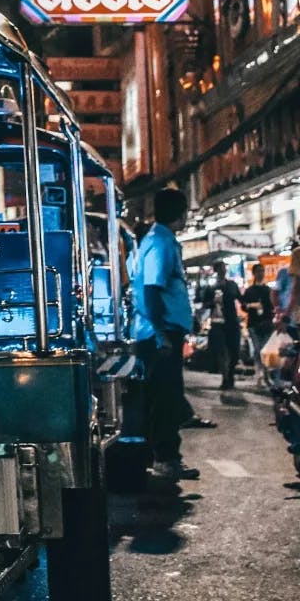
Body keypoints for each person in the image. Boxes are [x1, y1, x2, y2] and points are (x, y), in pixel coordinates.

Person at [129, 188, 200, 481]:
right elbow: (152, 290)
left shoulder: (156, 239)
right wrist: (161, 334)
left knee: (160, 398)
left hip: (158, 332)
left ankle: (155, 456)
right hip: (160, 333)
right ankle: (167, 459)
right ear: (180, 213)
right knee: (165, 399)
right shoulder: (161, 243)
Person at [201, 261, 243, 391]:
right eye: (220, 269)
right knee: (222, 351)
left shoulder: (232, 285)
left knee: (234, 352)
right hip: (218, 323)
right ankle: (226, 378)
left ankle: (230, 373)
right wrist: (212, 302)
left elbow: (241, 300)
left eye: (224, 268)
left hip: (232, 322)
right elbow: (204, 304)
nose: (222, 271)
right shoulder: (211, 287)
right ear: (216, 271)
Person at [242, 263, 275, 388]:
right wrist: (251, 306)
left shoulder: (268, 290)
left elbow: (273, 306)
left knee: (265, 350)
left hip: (267, 324)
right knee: (257, 349)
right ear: (254, 273)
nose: (261, 273)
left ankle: (266, 374)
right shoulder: (249, 291)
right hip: (253, 325)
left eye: (262, 271)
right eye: (259, 271)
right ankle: (259, 373)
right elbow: (243, 306)